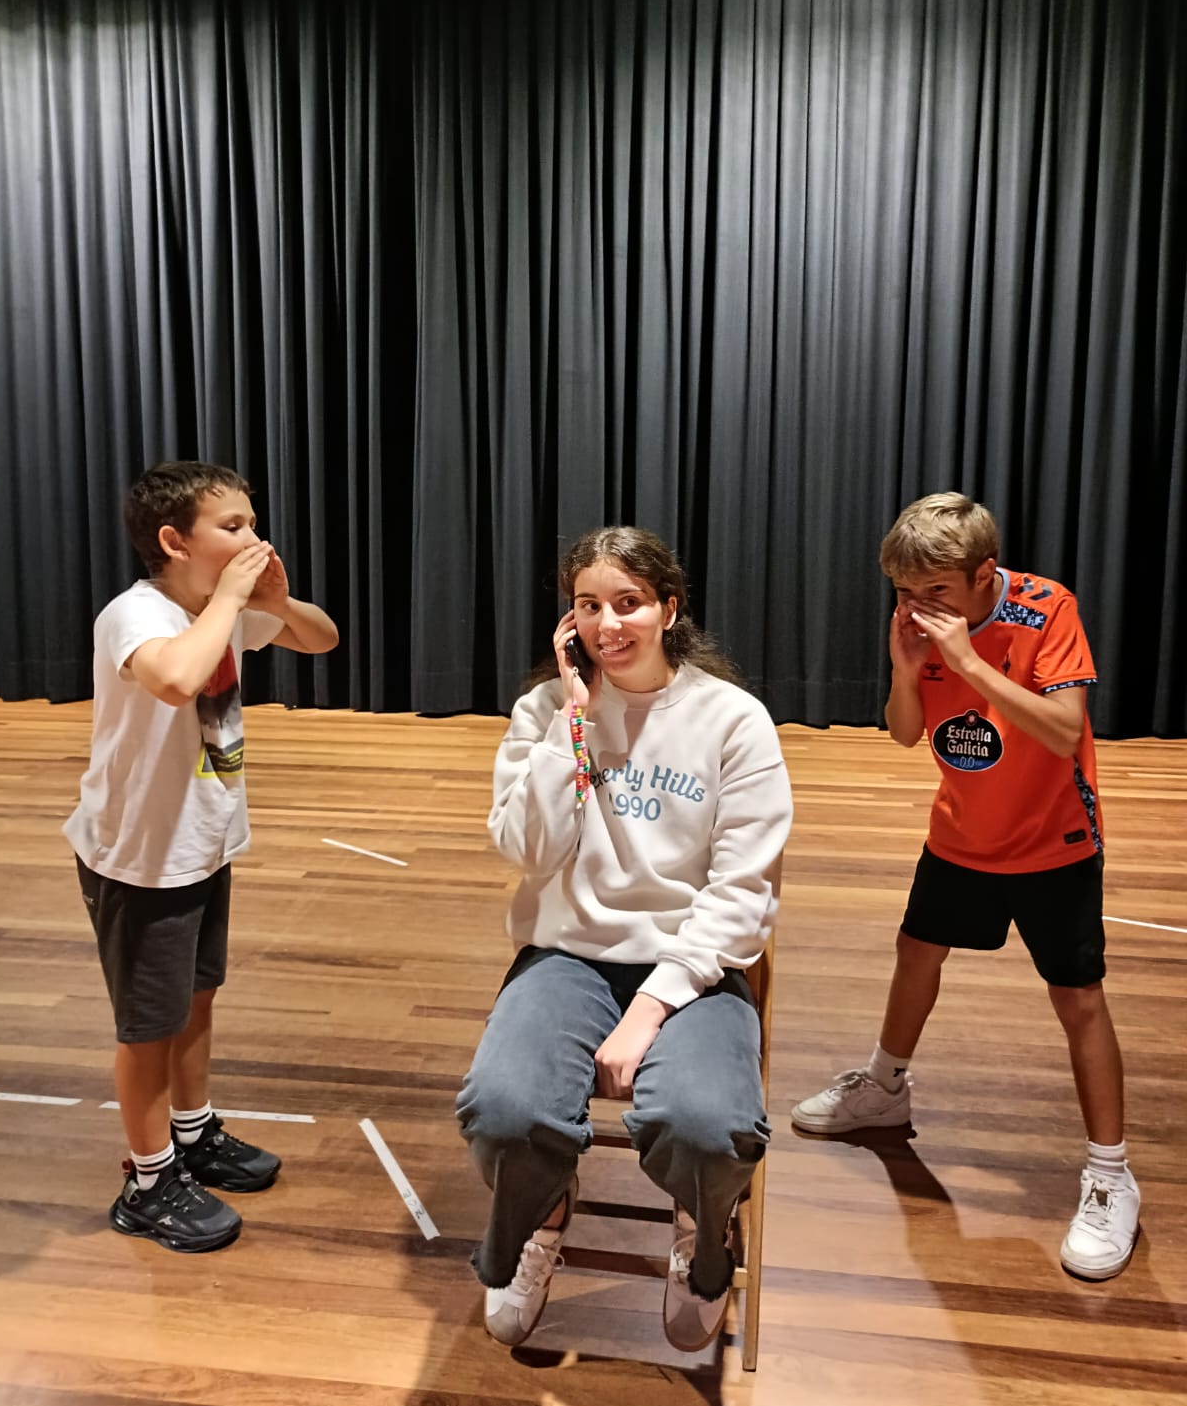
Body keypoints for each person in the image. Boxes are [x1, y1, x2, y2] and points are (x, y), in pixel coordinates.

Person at [456, 526, 793, 1351]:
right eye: (588, 605)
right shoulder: (546, 711)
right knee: (502, 1112)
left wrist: (649, 1010)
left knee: (707, 1126)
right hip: (566, 954)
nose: (607, 624)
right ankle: (544, 1212)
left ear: (669, 609)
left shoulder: (732, 720)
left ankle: (701, 1232)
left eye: (629, 602)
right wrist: (572, 722)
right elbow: (528, 850)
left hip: (694, 967)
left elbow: (743, 894)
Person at [791, 493, 1139, 1281]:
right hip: (961, 834)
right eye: (904, 592)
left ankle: (1111, 1176)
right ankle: (885, 1086)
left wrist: (972, 663)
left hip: (1054, 840)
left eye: (936, 591)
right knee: (916, 951)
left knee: (1078, 999)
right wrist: (904, 668)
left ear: (985, 574)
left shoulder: (1047, 608)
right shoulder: (920, 625)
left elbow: (1064, 729)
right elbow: (906, 731)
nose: (918, 606)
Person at [64, 460, 339, 1252]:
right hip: (139, 858)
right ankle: (148, 1182)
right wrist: (229, 602)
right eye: (233, 526)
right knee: (148, 1025)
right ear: (173, 542)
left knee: (197, 998)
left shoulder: (220, 609)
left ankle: (192, 1132)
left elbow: (321, 638)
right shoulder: (136, 615)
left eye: (252, 521)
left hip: (201, 844)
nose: (253, 536)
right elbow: (178, 679)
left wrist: (274, 602)